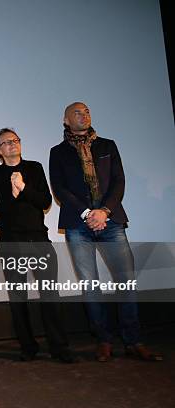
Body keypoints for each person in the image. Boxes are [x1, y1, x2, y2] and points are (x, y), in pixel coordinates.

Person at [49, 102, 162, 362]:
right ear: (66, 120)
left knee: (127, 282)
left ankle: (133, 341)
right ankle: (103, 340)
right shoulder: (58, 152)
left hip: (111, 221)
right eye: (77, 112)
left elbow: (119, 181)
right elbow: (60, 189)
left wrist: (105, 212)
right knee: (91, 286)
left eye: (87, 111)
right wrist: (89, 214)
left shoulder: (107, 145)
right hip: (79, 225)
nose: (83, 115)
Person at [0, 128, 75, 363]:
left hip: (38, 239)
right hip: (10, 241)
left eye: (15, 140)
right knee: (18, 298)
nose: (12, 145)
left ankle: (59, 347)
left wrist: (24, 188)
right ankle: (28, 347)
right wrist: (12, 193)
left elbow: (45, 201)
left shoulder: (34, 167)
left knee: (50, 295)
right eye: (5, 143)